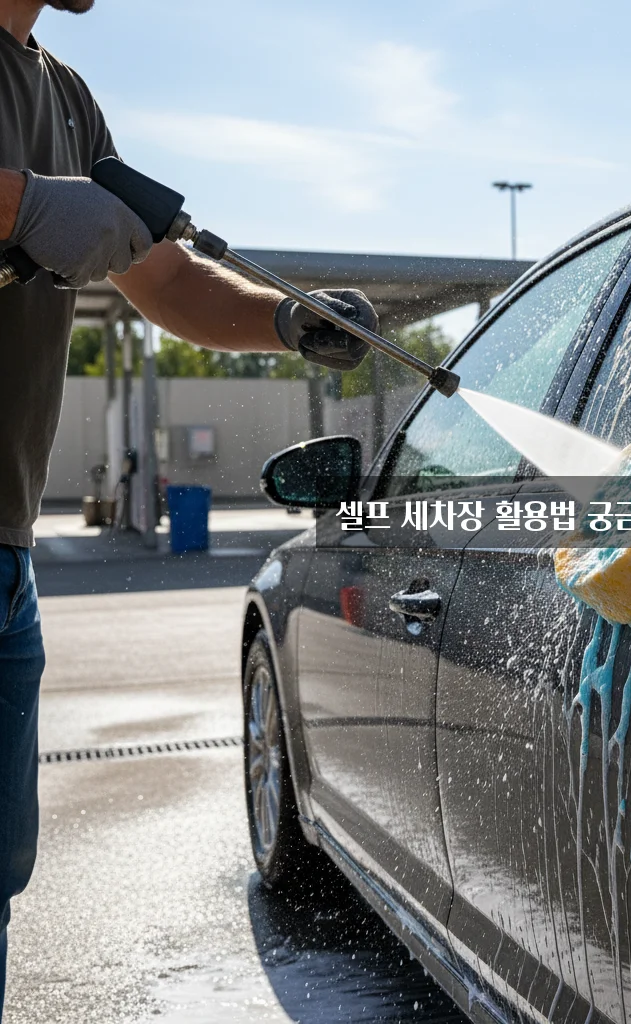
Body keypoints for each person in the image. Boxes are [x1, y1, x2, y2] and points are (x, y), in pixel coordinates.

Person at [0, 1, 378, 1012]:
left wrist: (286, 319)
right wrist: (22, 207)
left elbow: (162, 276)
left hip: (3, 557)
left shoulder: (66, 98)